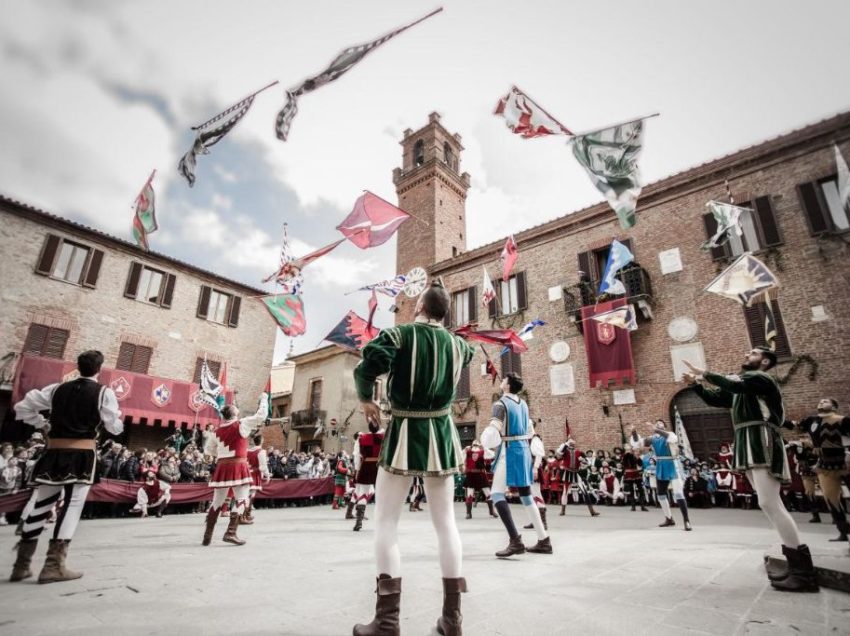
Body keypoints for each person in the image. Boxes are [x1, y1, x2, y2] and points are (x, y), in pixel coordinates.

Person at [352, 280, 473, 636]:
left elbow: (367, 366)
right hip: (442, 432)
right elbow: (467, 355)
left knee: (386, 523)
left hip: (405, 428)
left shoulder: (399, 335)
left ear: (419, 306)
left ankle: (387, 622)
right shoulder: (460, 345)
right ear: (444, 312)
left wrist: (365, 398)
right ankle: (453, 620)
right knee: (446, 524)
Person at [684, 348, 818, 592]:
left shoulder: (761, 379)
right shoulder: (743, 388)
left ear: (764, 361)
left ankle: (803, 572)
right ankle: (796, 565)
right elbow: (717, 398)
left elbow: (734, 385)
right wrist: (696, 385)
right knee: (768, 503)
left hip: (760, 437)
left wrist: (703, 373)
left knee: (770, 503)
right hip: (747, 438)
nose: (747, 354)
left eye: (753, 352)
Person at [10, 350, 123, 583]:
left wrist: (42, 424)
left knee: (41, 504)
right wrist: (115, 419)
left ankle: (21, 564)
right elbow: (115, 428)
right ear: (99, 369)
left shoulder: (56, 389)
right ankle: (53, 565)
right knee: (71, 505)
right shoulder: (104, 392)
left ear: (78, 367)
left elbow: (22, 408)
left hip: (54, 451)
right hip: (82, 452)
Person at [481, 373, 551, 558]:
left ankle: (515, 541)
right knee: (527, 496)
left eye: (504, 380)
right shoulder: (524, 403)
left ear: (507, 385)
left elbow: (493, 430)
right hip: (523, 451)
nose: (501, 381)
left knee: (496, 494)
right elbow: (530, 430)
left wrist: (484, 442)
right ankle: (544, 540)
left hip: (509, 451)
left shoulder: (500, 404)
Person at [202, 397, 268, 547]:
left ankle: (207, 536)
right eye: (235, 408)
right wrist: (264, 399)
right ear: (233, 413)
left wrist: (222, 453)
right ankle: (230, 532)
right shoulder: (241, 424)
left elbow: (209, 450)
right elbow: (261, 416)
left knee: (217, 502)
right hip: (238, 465)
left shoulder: (216, 431)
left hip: (222, 466)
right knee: (242, 499)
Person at [788, 399, 850, 543]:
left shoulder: (843, 420)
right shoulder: (811, 421)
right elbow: (794, 426)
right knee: (831, 498)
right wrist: (774, 417)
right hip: (824, 464)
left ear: (834, 406)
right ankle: (843, 531)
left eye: (826, 401)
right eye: (821, 401)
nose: (822, 402)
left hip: (845, 461)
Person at [632, 421, 692, 531]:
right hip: (661, 465)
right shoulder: (653, 438)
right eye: (657, 423)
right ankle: (669, 518)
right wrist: (634, 432)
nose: (658, 424)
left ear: (664, 426)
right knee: (661, 494)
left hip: (673, 465)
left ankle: (686, 520)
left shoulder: (670, 434)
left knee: (678, 493)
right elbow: (638, 443)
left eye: (660, 423)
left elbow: (670, 438)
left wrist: (655, 429)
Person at [352, 422, 385, 532]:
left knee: (362, 493)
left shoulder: (362, 437)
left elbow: (357, 456)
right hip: (379, 467)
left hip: (366, 466)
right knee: (382, 494)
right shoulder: (383, 437)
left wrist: (356, 471)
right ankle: (384, 523)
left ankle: (359, 521)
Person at [555, 438, 599, 517]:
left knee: (584, 490)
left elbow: (588, 462)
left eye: (573, 443)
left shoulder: (579, 452)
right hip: (567, 473)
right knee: (565, 492)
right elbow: (559, 452)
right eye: (570, 443)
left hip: (576, 473)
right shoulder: (565, 451)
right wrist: (566, 443)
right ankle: (563, 510)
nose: (572, 444)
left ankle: (592, 511)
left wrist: (583, 460)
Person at [462, 441, 497, 519]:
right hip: (471, 475)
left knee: (488, 493)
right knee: (469, 494)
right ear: (472, 444)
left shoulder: (483, 452)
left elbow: (492, 455)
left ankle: (492, 511)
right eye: (474, 443)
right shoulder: (468, 451)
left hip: (481, 474)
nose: (475, 444)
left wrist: (485, 447)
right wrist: (464, 450)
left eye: (477, 443)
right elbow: (460, 457)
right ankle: (468, 513)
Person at [243, 434, 270, 524]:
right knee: (250, 495)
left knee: (246, 495)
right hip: (254, 474)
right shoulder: (261, 451)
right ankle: (245, 515)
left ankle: (246, 514)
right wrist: (267, 475)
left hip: (247, 473)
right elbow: (263, 466)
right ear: (261, 441)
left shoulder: (248, 450)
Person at [621, 445, 648, 511]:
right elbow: (624, 462)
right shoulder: (625, 456)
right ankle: (633, 506)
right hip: (629, 473)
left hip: (636, 473)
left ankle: (642, 505)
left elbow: (640, 464)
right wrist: (629, 454)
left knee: (640, 489)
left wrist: (638, 457)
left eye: (629, 449)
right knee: (631, 490)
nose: (628, 450)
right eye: (627, 449)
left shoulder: (634, 455)